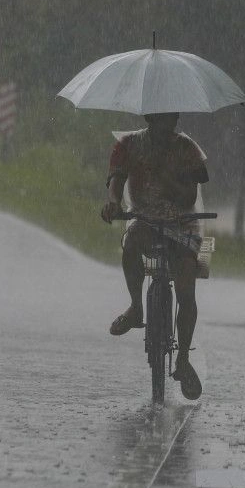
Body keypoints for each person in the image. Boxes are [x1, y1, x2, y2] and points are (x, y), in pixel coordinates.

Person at [100, 112, 210, 400]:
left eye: (172, 115)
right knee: (132, 243)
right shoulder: (129, 144)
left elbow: (188, 198)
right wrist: (112, 202)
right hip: (145, 220)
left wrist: (166, 177)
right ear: (150, 117)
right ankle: (137, 307)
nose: (168, 121)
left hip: (181, 224)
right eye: (162, 116)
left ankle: (183, 358)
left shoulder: (188, 149)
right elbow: (116, 180)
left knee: (186, 290)